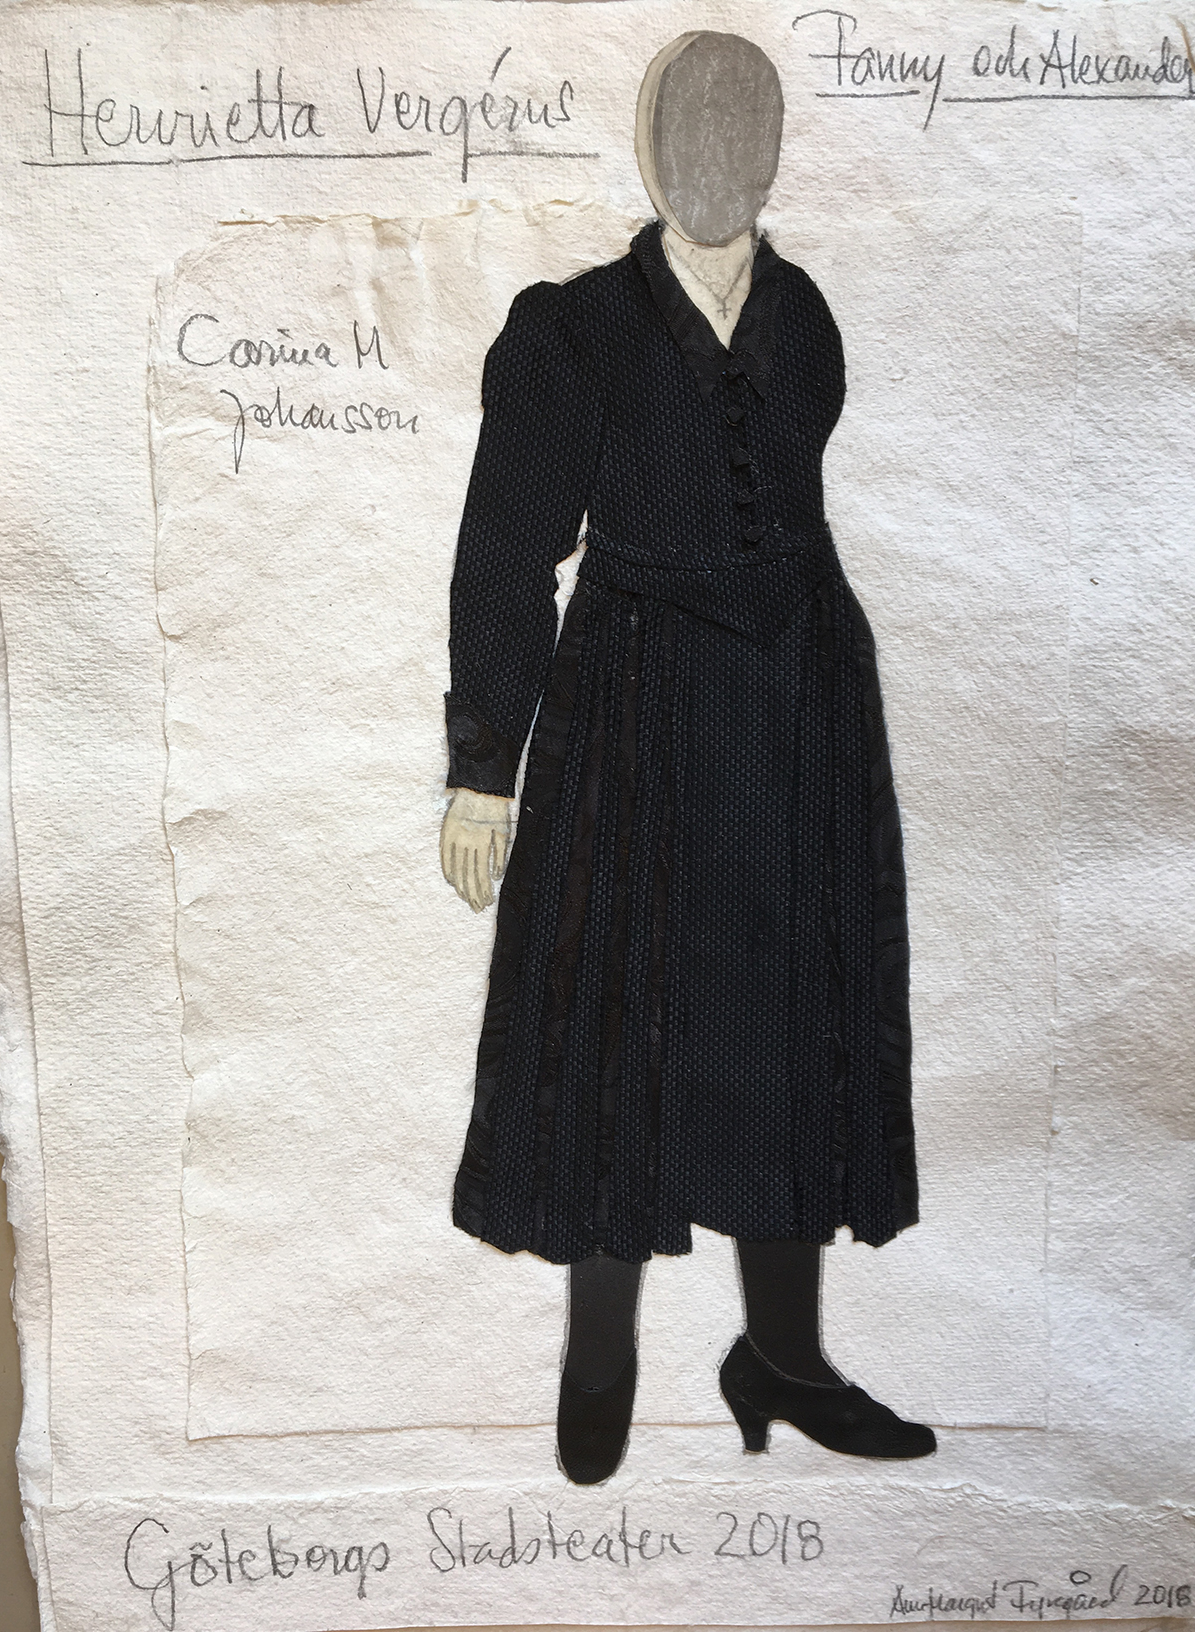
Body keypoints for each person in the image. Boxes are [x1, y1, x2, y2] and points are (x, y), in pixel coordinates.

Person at [440, 31, 934, 1483]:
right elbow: (505, 554)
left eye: (745, 134)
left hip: (798, 714)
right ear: (650, 154)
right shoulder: (572, 330)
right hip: (634, 714)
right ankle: (601, 1355)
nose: (718, 164)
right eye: (691, 134)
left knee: (792, 1016)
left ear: (775, 157)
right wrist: (484, 766)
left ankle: (781, 1359)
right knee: (621, 1017)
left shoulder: (806, 317)